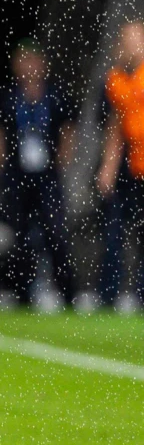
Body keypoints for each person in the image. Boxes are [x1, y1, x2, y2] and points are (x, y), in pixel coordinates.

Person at [0, 40, 75, 309]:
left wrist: (61, 160)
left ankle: (67, 292)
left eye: (33, 61)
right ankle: (20, 291)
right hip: (17, 174)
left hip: (47, 174)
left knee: (54, 231)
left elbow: (68, 130)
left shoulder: (55, 95)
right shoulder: (9, 97)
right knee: (18, 234)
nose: (28, 68)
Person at [97, 20, 144, 313]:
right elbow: (115, 127)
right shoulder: (116, 80)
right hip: (132, 167)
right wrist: (107, 168)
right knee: (116, 230)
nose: (130, 46)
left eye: (135, 40)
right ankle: (109, 294)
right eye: (125, 41)